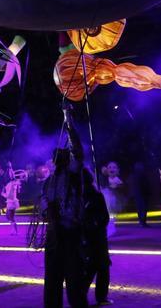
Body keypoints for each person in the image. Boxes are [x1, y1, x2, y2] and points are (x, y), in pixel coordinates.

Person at [41, 112, 87, 307]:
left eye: (60, 156)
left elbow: (77, 150)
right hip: (53, 234)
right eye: (55, 157)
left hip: (70, 232)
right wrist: (47, 211)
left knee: (74, 276)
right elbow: (43, 204)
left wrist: (68, 121)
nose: (56, 159)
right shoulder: (48, 181)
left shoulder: (73, 174)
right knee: (52, 277)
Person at [79, 167, 112, 306]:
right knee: (99, 266)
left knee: (95, 266)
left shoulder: (90, 195)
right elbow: (104, 217)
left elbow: (104, 217)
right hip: (93, 236)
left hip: (90, 235)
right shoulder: (92, 195)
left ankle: (85, 295)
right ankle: (97, 296)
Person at [130, 161, 150, 227]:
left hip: (137, 194)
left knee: (140, 208)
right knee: (143, 208)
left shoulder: (134, 175)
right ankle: (143, 222)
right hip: (142, 194)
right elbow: (144, 185)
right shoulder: (142, 175)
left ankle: (141, 222)